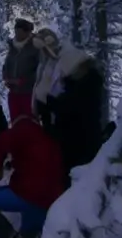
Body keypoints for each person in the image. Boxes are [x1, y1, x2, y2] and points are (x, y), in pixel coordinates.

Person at [32, 29, 106, 178]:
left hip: (80, 140)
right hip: (71, 136)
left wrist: (50, 105)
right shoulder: (77, 80)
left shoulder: (84, 84)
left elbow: (71, 108)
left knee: (77, 173)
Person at [2, 18, 42, 121]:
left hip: (29, 93)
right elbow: (6, 65)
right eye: (16, 31)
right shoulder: (12, 48)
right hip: (14, 94)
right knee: (16, 122)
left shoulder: (35, 47)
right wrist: (6, 77)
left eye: (20, 32)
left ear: (27, 32)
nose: (17, 34)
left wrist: (25, 81)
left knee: (30, 122)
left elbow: (40, 69)